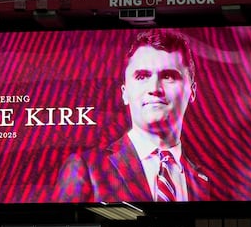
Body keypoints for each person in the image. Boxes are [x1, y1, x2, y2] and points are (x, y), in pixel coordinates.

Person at [56, 29, 211, 202]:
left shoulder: (204, 181)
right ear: (124, 92)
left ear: (193, 92)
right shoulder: (86, 168)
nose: (154, 88)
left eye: (168, 76)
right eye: (142, 76)